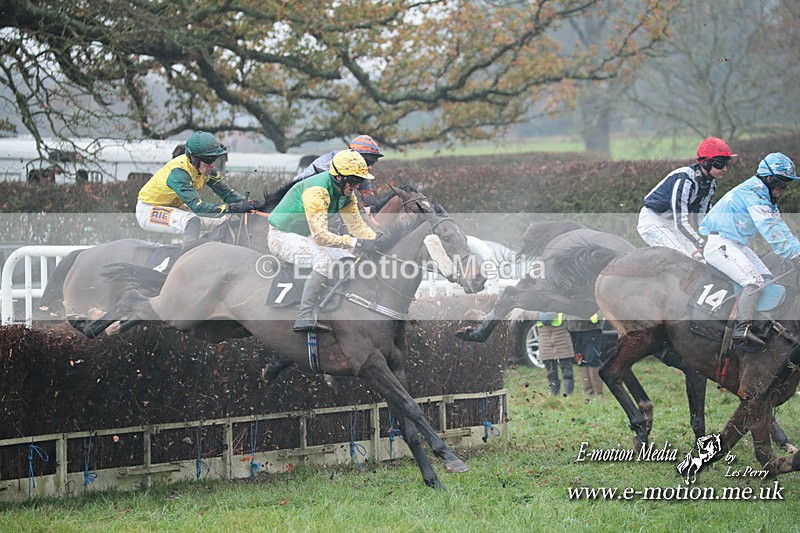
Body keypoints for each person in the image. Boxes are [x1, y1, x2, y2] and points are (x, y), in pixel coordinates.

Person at [268, 149, 379, 333]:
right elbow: (321, 236)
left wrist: (375, 240)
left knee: (346, 257)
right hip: (281, 236)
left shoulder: (347, 194)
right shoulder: (317, 191)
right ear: (338, 177)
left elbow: (357, 226)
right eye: (354, 180)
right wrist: (356, 243)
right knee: (324, 261)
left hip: (305, 235)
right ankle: (304, 316)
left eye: (360, 180)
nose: (357, 186)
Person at [700, 152, 800, 345]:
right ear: (769, 178)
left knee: (767, 279)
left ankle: (760, 324)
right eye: (782, 182)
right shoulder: (754, 194)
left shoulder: (765, 195)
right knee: (753, 282)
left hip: (736, 244)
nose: (785, 187)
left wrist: (798, 252)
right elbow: (771, 231)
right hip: (720, 244)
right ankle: (741, 329)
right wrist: (794, 257)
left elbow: (781, 229)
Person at [135, 131, 257, 246]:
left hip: (173, 207)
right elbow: (198, 207)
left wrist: (248, 203)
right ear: (194, 159)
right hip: (148, 209)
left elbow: (226, 194)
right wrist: (231, 208)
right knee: (192, 222)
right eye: (208, 161)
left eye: (214, 160)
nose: (212, 165)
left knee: (223, 220)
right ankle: (187, 256)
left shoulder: (206, 170)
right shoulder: (179, 173)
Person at [637, 137, 736, 259]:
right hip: (653, 222)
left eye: (726, 164)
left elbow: (702, 218)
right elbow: (681, 222)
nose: (725, 169)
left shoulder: (711, 184)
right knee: (681, 259)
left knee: (699, 259)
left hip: (673, 224)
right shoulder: (685, 179)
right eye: (719, 164)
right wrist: (700, 242)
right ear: (706, 162)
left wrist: (718, 237)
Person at [292, 134, 384, 210]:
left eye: (373, 162)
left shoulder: (358, 169)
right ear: (354, 155)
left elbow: (368, 197)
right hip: (297, 198)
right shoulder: (335, 164)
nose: (370, 167)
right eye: (367, 162)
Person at [565, 315, 606, 397]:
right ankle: (589, 391)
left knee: (592, 359)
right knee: (581, 360)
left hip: (592, 327)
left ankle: (598, 392)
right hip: (573, 327)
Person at [536, 312, 574, 397]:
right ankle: (554, 394)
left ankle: (568, 394)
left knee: (566, 370)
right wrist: (537, 315)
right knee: (551, 372)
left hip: (561, 336)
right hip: (545, 338)